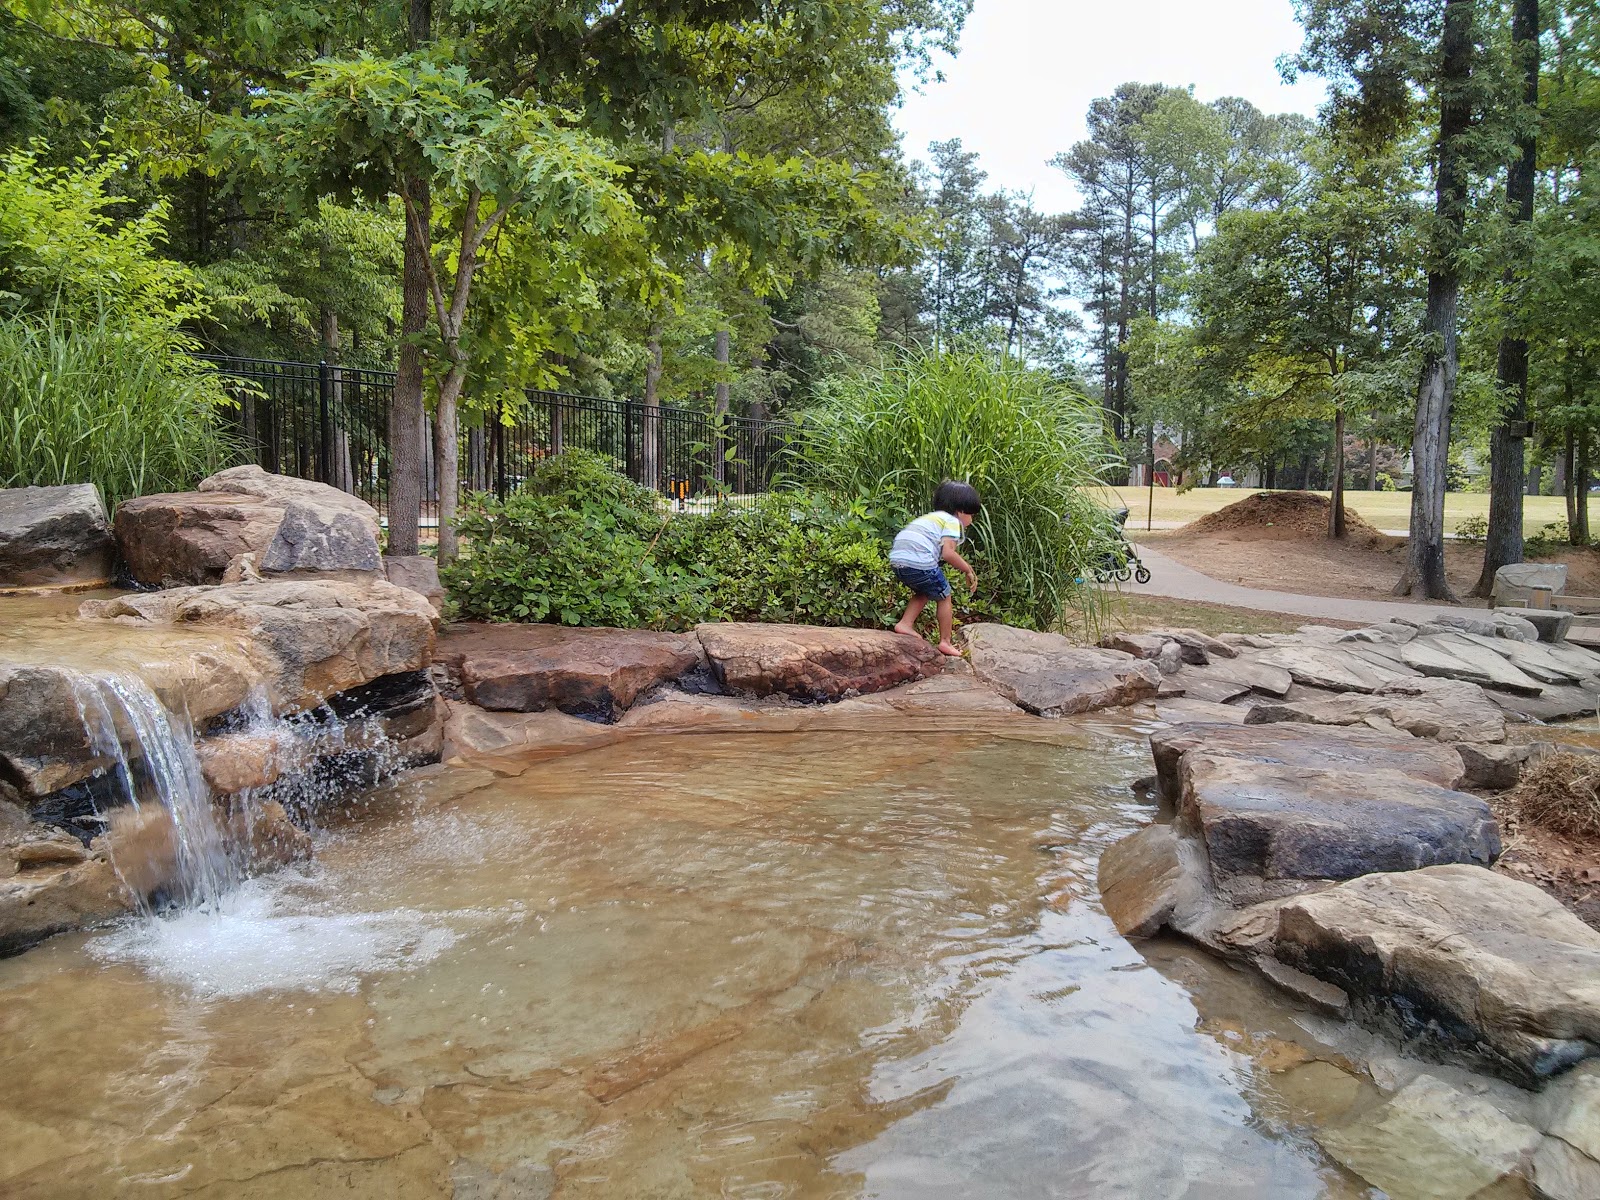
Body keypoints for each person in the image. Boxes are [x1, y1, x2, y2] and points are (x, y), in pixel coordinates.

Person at [889, 481, 980, 657]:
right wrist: (967, 569)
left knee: (924, 591)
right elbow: (948, 553)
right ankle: (945, 641)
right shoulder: (952, 521)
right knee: (944, 596)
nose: (972, 520)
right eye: (972, 515)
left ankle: (905, 624)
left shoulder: (931, 518)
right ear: (961, 512)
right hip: (919, 562)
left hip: (898, 561)